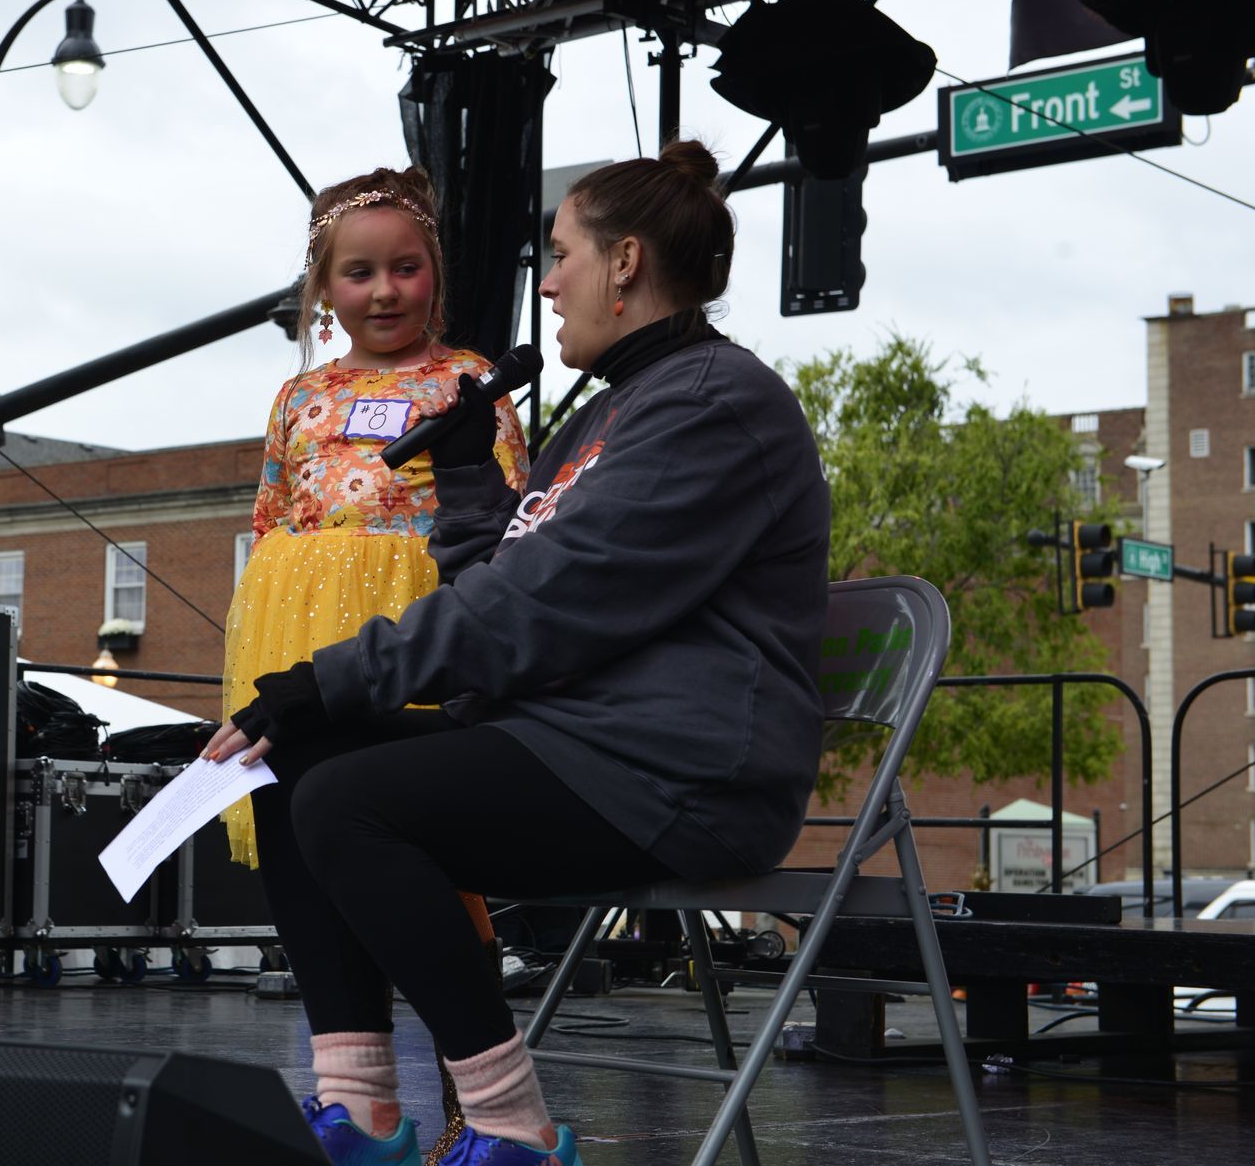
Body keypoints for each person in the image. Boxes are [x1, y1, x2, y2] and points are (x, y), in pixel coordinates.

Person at [204, 141, 832, 1166]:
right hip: (589, 739)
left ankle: (511, 1126)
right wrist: (463, 478)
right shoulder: (618, 406)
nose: (548, 282)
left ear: (624, 264)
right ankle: (360, 1111)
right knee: (296, 767)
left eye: (562, 253)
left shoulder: (710, 402)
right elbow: (510, 569)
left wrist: (327, 677)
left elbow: (538, 606)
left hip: (678, 774)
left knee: (347, 800)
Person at [221, 167, 529, 1163]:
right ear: (323, 291)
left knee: (428, 860)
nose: (385, 291)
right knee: (309, 838)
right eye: (359, 274)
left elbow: (508, 530)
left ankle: (475, 1100)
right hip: (295, 634)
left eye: (406, 268)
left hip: (412, 629)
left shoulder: (471, 383)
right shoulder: (297, 396)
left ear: (435, 273)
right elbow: (272, 521)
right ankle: (357, 1104)